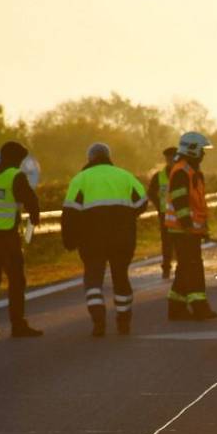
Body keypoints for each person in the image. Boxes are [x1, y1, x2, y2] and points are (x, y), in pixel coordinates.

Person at [61, 143, 147, 336]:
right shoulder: (125, 176)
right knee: (120, 277)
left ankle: (98, 319)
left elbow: (69, 213)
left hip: (91, 240)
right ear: (109, 156)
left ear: (89, 158)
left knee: (93, 278)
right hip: (123, 238)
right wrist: (127, 216)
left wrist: (69, 239)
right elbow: (142, 202)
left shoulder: (80, 179)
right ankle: (123, 321)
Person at [0, 141, 43, 338]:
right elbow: (30, 200)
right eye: (20, 160)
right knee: (16, 279)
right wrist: (34, 217)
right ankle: (18, 325)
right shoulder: (15, 176)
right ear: (15, 159)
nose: (21, 164)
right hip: (6, 235)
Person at [165, 131, 217, 321]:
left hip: (189, 230)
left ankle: (176, 307)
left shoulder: (192, 171)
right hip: (183, 230)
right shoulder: (182, 171)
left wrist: (200, 228)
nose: (204, 154)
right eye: (202, 150)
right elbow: (180, 201)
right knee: (193, 268)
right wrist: (188, 225)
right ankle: (199, 307)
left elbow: (196, 204)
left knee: (185, 268)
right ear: (193, 150)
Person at [147, 146, 177, 279]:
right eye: (168, 158)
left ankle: (182, 266)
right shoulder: (158, 177)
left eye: (173, 158)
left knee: (181, 241)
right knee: (167, 242)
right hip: (165, 214)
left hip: (181, 213)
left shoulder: (182, 173)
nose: (170, 160)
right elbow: (151, 193)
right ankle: (166, 267)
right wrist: (159, 206)